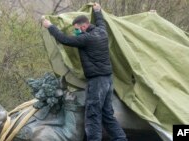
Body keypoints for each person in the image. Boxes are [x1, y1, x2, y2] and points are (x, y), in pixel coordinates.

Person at [42, 3, 127, 141]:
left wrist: (50, 26)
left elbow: (64, 39)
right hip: (107, 80)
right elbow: (100, 21)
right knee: (107, 114)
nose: (76, 32)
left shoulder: (87, 38)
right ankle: (121, 139)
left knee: (93, 115)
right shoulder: (101, 31)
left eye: (76, 29)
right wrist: (97, 11)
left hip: (97, 81)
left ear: (84, 26)